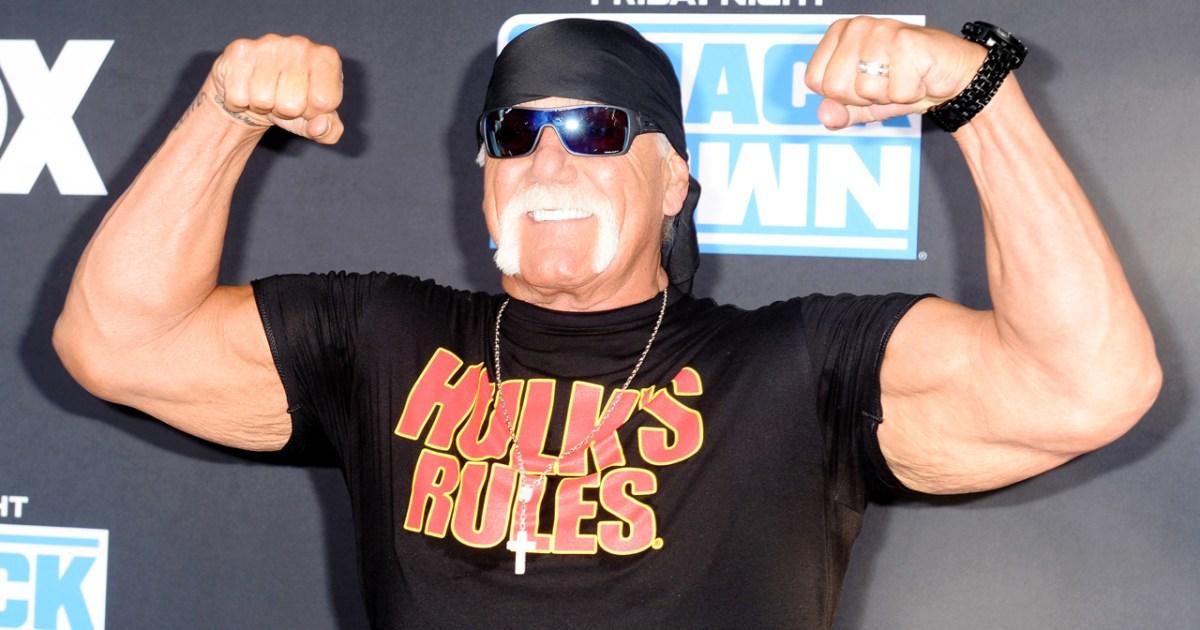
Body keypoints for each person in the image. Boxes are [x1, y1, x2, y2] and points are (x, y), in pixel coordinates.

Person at [52, 16, 1160, 629]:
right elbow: (116, 343)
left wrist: (981, 100)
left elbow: (1086, 386)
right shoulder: (380, 338)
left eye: (595, 130)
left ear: (674, 180)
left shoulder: (793, 368)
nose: (548, 164)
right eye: (515, 134)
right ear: (484, 181)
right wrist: (224, 114)